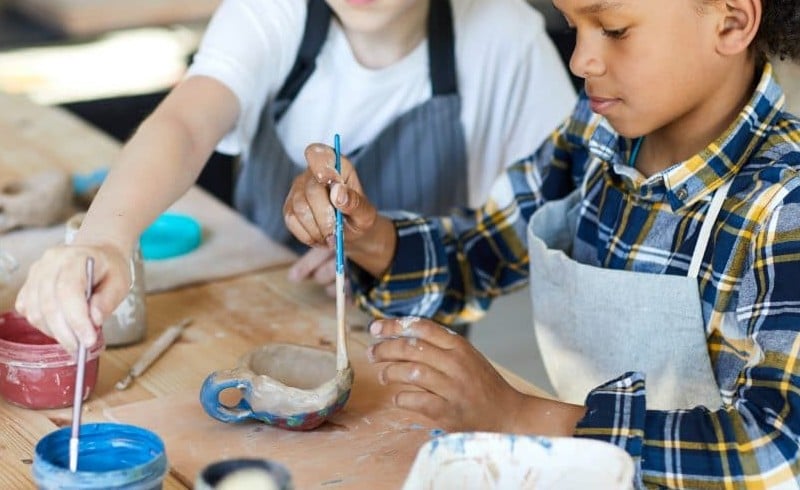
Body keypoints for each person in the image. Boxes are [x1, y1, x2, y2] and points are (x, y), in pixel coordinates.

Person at [279, 0, 800, 487]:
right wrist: (369, 235)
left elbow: (776, 453)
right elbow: (479, 252)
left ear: (730, 23)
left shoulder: (784, 204)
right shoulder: (596, 130)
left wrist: (520, 415)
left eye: (614, 29)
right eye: (574, 27)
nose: (581, 61)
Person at [13, 0, 574, 349]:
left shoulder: (507, 38)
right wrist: (105, 238)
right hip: (255, 324)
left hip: (417, 360)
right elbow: (185, 124)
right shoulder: (273, 11)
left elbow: (560, 221)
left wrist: (385, 253)